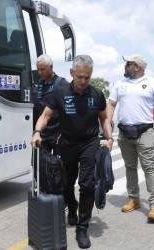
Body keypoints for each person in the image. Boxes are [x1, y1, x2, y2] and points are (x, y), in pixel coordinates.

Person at [31, 55, 113, 249]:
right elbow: (45, 116)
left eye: (87, 77)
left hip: (89, 143)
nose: (83, 81)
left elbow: (104, 118)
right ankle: (72, 205)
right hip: (66, 143)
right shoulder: (60, 92)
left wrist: (109, 138)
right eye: (79, 77)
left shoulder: (96, 94)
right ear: (72, 73)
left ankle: (82, 229)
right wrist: (36, 132)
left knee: (87, 184)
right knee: (66, 184)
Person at [107, 54, 154, 222]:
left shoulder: (152, 83)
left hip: (144, 132)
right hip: (124, 132)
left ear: (137, 67)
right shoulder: (120, 84)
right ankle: (133, 199)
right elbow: (111, 105)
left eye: (128, 63)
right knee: (129, 167)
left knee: (149, 167)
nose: (125, 66)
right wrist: (108, 130)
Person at [33, 54, 67, 152]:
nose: (39, 72)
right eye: (38, 69)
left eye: (43, 69)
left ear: (51, 67)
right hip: (42, 132)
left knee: (58, 165)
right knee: (42, 164)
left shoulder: (62, 84)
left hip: (57, 135)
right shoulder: (39, 84)